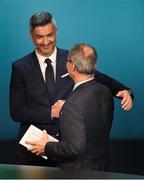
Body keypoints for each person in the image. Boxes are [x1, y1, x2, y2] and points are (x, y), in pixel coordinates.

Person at [9, 11, 133, 166]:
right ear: (31, 35)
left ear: (56, 32)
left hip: (67, 152)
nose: (45, 42)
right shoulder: (20, 67)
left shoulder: (72, 59)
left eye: (50, 35)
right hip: (33, 151)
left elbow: (101, 78)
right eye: (39, 37)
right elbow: (17, 111)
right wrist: (51, 112)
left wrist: (125, 91)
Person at [26, 43, 114, 170]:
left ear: (72, 66)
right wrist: (67, 109)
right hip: (100, 168)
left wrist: (46, 146)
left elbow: (75, 147)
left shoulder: (72, 105)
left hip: (77, 173)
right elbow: (91, 124)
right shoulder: (105, 91)